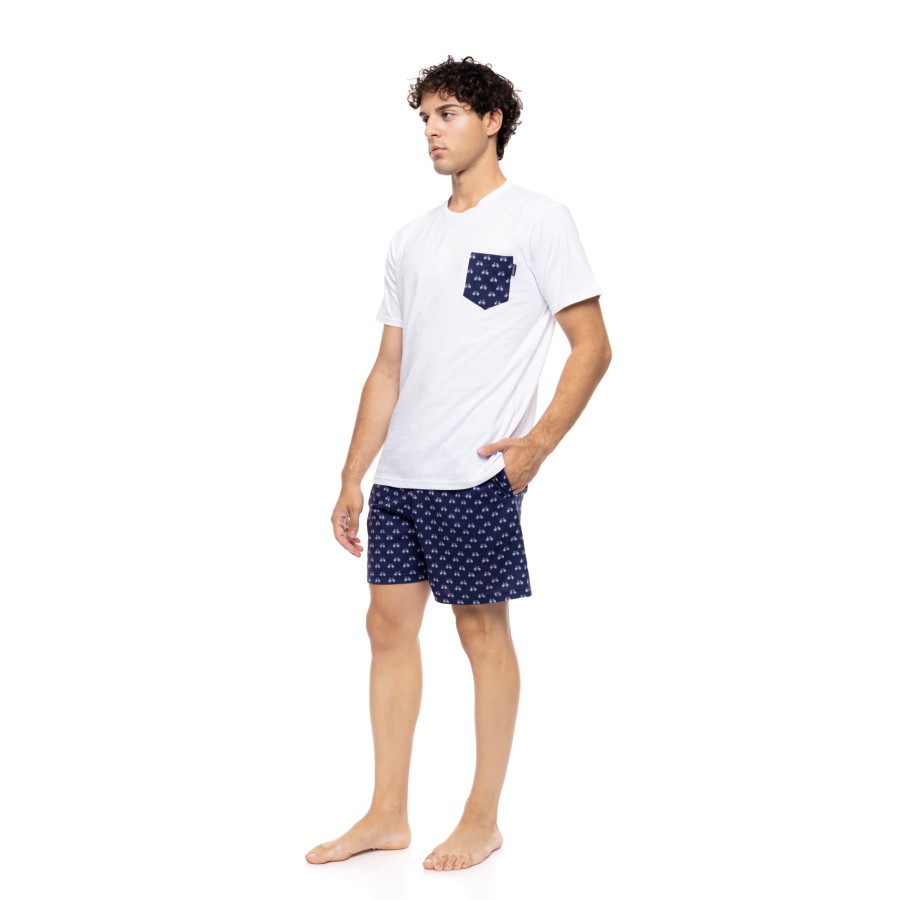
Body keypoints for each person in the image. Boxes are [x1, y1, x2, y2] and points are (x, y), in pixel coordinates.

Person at [306, 55, 612, 872]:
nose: (433, 132)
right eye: (425, 118)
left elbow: (592, 346)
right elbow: (388, 368)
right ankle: (387, 813)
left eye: (448, 115)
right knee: (385, 628)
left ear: (492, 121)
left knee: (481, 632)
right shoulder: (411, 239)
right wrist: (352, 475)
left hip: (476, 475)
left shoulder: (538, 220)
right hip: (402, 477)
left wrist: (537, 445)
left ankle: (483, 819)